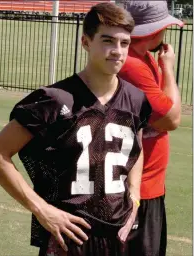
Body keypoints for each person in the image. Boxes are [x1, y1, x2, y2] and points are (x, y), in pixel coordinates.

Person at [0, 3, 152, 256]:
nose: (117, 51)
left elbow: (135, 149)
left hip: (117, 233)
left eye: (124, 43)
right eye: (108, 41)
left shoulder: (137, 100)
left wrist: (135, 196)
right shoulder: (54, 100)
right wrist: (42, 210)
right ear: (85, 42)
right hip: (68, 236)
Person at [119, 1, 184, 255]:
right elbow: (171, 119)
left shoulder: (143, 58)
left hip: (148, 185)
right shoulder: (133, 65)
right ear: (154, 30)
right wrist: (168, 68)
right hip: (139, 190)